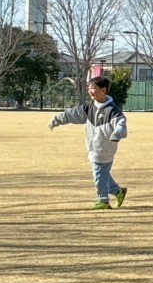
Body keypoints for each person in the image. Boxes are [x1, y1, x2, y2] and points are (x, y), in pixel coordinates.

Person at [48, 76, 128, 210]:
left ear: (103, 90)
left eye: (93, 88)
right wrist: (58, 119)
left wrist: (116, 134)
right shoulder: (89, 106)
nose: (90, 91)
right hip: (93, 147)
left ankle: (103, 201)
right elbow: (74, 114)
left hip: (105, 148)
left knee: (99, 175)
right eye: (89, 88)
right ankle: (118, 192)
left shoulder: (112, 110)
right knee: (102, 174)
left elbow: (121, 124)